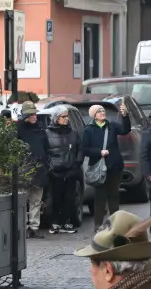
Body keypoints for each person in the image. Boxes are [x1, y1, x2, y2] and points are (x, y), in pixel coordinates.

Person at [82, 101, 131, 231]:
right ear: (94, 115)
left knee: (114, 196)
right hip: (99, 169)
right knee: (100, 198)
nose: (102, 112)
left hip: (115, 167)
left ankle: (115, 225)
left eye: (103, 110)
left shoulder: (112, 126)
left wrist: (125, 115)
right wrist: (99, 152)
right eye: (99, 111)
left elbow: (125, 130)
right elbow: (84, 149)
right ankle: (98, 225)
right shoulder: (88, 130)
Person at [16, 101, 51, 239]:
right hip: (24, 169)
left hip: (40, 169)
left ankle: (34, 227)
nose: (34, 116)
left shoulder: (40, 129)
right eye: (31, 114)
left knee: (36, 201)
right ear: (25, 115)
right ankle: (23, 227)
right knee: (22, 200)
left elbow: (46, 147)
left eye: (35, 114)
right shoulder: (18, 129)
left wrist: (46, 163)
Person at [47, 106, 83, 235]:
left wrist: (76, 165)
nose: (66, 119)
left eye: (67, 116)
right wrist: (50, 167)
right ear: (56, 118)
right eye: (63, 116)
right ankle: (55, 222)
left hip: (70, 171)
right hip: (55, 172)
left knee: (69, 198)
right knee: (55, 198)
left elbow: (80, 149)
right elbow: (45, 152)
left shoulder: (73, 133)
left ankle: (66, 222)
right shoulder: (47, 133)